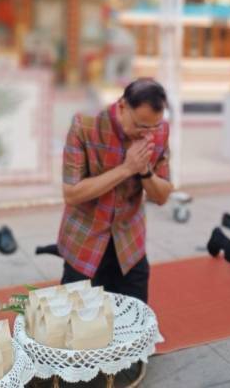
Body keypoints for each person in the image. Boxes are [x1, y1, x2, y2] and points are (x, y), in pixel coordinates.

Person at [58, 78, 173, 302]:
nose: (148, 134)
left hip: (130, 244)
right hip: (85, 241)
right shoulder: (85, 125)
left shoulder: (160, 131)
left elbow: (162, 196)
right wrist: (127, 168)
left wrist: (144, 170)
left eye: (154, 127)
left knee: (135, 321)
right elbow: (71, 193)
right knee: (79, 326)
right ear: (122, 106)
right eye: (140, 125)